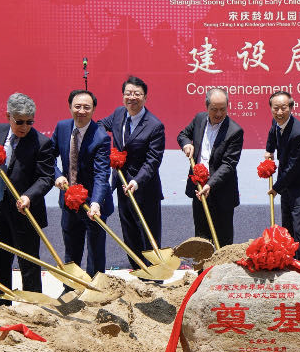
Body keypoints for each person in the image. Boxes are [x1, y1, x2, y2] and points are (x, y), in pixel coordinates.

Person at [0, 93, 55, 306]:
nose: (25, 126)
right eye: (20, 121)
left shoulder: (41, 142)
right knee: (0, 261)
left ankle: (34, 307)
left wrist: (28, 196)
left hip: (25, 211)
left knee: (29, 263)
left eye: (30, 122)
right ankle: (1, 306)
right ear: (8, 116)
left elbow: (46, 177)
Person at [98, 76, 165, 260]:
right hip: (122, 185)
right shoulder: (119, 113)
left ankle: (155, 275)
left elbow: (153, 161)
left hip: (144, 189)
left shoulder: (154, 125)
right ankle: (137, 271)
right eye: (128, 93)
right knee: (130, 234)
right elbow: (100, 125)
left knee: (148, 235)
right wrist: (108, 148)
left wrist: (136, 181)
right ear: (123, 96)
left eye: (137, 94)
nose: (132, 98)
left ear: (145, 98)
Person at [52, 89, 112, 276]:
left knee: (95, 253)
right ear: (70, 107)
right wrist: (57, 175)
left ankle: (95, 290)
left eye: (87, 107)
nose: (81, 111)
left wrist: (95, 203)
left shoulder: (100, 136)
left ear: (94, 110)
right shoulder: (62, 128)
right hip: (69, 202)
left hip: (94, 204)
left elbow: (102, 174)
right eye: (77, 106)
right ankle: (71, 289)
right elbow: (47, 156)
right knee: (71, 250)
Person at [178, 88, 244, 247]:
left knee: (222, 240)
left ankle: (222, 271)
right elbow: (183, 134)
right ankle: (203, 271)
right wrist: (186, 144)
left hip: (221, 191)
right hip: (198, 188)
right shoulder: (199, 119)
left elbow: (228, 164)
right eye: (214, 109)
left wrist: (210, 184)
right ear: (207, 107)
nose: (219, 114)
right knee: (201, 238)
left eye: (223, 109)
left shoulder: (235, 131)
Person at [264, 90, 300, 265]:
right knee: (287, 231)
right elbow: (273, 134)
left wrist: (276, 188)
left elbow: (292, 168)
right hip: (288, 189)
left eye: (283, 108)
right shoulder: (277, 123)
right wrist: (269, 150)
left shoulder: (299, 134)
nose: (279, 112)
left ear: (291, 107)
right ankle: (289, 266)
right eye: (276, 108)